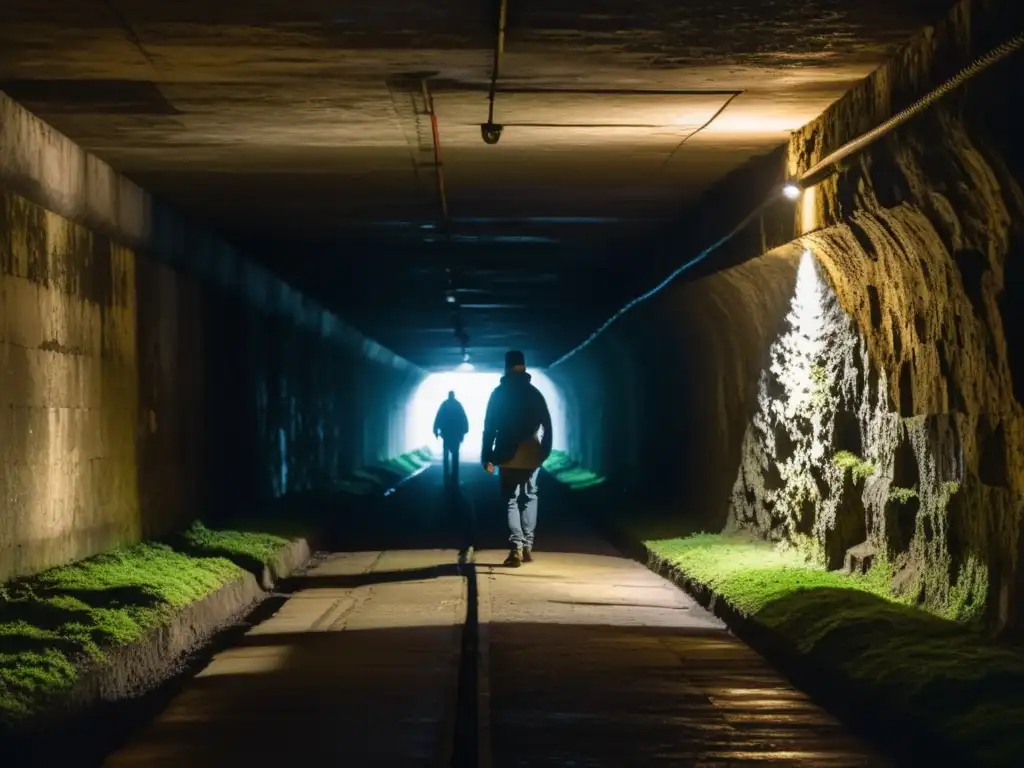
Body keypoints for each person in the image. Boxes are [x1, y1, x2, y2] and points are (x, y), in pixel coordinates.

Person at [481, 350, 553, 567]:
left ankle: (516, 548)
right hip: (532, 453)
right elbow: (547, 424)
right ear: (524, 367)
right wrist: (545, 451)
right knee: (530, 497)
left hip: (506, 454)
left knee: (511, 500)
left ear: (506, 367)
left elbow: (489, 427)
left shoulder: (499, 393)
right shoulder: (535, 393)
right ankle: (528, 545)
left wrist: (487, 455)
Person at [434, 391, 469, 487]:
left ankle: (446, 474)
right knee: (455, 455)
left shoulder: (444, 405)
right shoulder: (458, 405)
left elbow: (438, 417)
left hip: (446, 434)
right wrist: (464, 431)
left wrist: (435, 430)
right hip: (456, 434)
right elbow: (464, 418)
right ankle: (455, 476)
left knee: (446, 455)